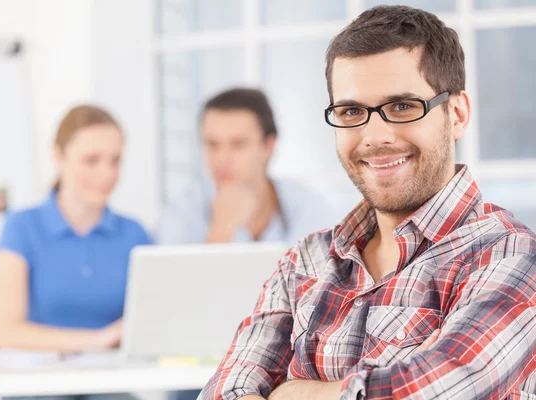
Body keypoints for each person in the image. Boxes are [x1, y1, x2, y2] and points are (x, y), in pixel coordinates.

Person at [199, 5, 536, 400]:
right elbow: (224, 392)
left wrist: (289, 392)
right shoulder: (304, 263)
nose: (375, 136)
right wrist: (377, 383)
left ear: (457, 114)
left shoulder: (510, 255)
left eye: (403, 106)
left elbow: (432, 392)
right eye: (352, 111)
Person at [0, 105, 152, 400]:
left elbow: (151, 321)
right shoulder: (21, 227)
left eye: (115, 160)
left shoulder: (135, 234)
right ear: (58, 156)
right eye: (91, 160)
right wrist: (99, 340)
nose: (107, 173)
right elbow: (7, 332)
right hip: (37, 387)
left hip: (109, 387)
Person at [156, 88, 337, 246]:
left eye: (238, 144)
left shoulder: (308, 207)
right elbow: (179, 284)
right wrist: (221, 230)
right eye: (212, 144)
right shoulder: (181, 214)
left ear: (268, 146)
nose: (222, 159)